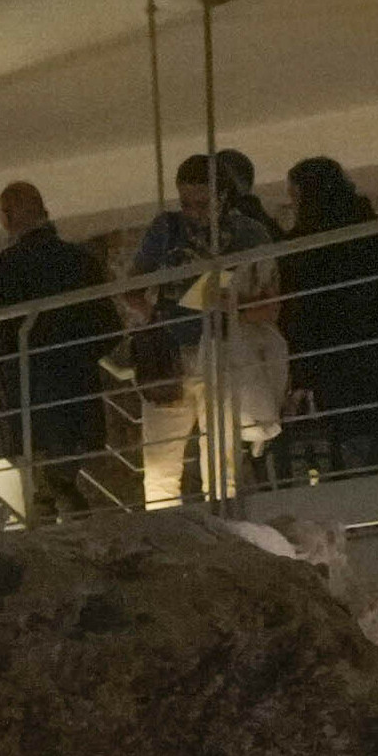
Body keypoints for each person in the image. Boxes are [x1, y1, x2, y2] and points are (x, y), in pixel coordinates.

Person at [128, 148, 282, 502]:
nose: (194, 214)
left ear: (223, 198)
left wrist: (231, 309)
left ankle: (220, 522)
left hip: (221, 352)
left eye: (202, 204)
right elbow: (132, 286)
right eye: (187, 204)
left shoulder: (249, 235)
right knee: (160, 461)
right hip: (171, 354)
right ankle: (166, 527)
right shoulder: (166, 229)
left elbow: (270, 304)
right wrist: (149, 315)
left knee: (221, 461)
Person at [275, 156, 378, 476]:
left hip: (339, 370)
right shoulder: (370, 231)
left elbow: (302, 315)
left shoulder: (306, 247)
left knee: (355, 459)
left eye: (295, 196)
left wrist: (301, 374)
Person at [0, 178, 114, 515]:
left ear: (8, 216)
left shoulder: (6, 266)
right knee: (60, 476)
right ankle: (74, 524)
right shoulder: (81, 260)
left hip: (27, 392)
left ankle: (56, 528)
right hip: (76, 389)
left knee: (44, 485)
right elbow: (108, 327)